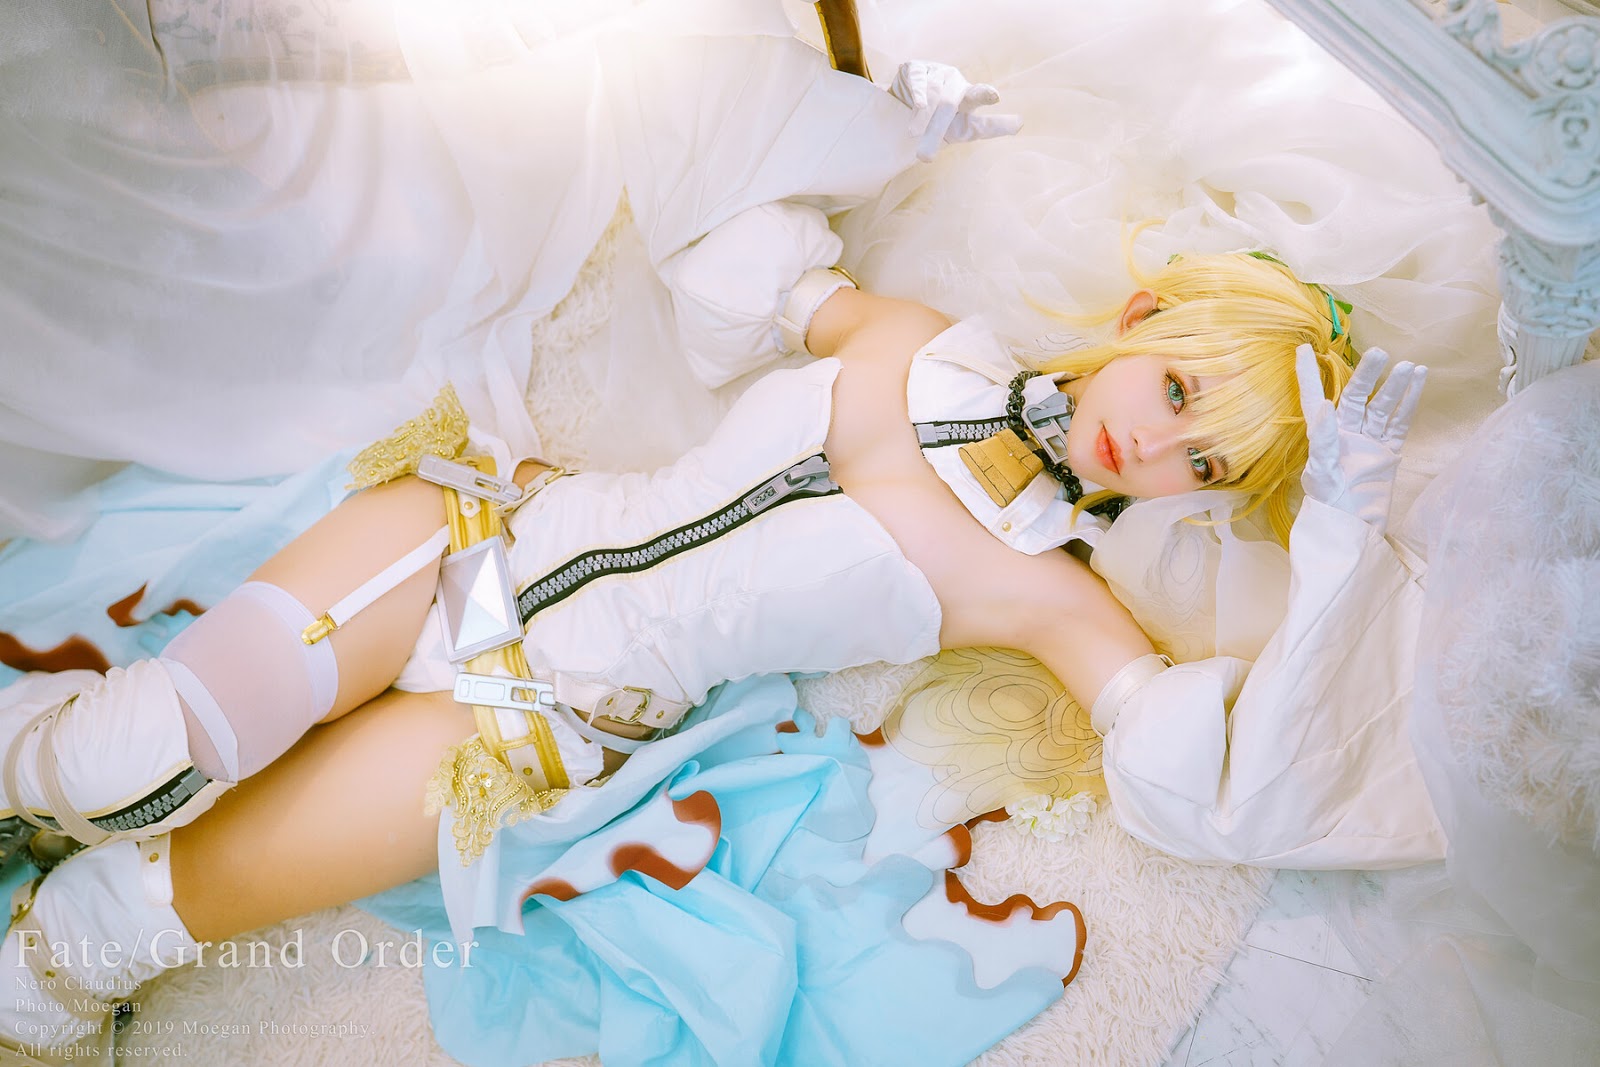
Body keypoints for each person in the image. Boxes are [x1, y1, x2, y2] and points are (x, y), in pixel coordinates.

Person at [0, 35, 1439, 1067]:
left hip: (528, 720)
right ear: (1140, 322)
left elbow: (1214, 796)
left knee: (103, 928)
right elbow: (720, 229)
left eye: (1207, 464)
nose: (1158, 447)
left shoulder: (1052, 596)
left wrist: (1338, 534)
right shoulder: (914, 336)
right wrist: (874, 133)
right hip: (471, 536)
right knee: (128, 761)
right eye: (1180, 391)